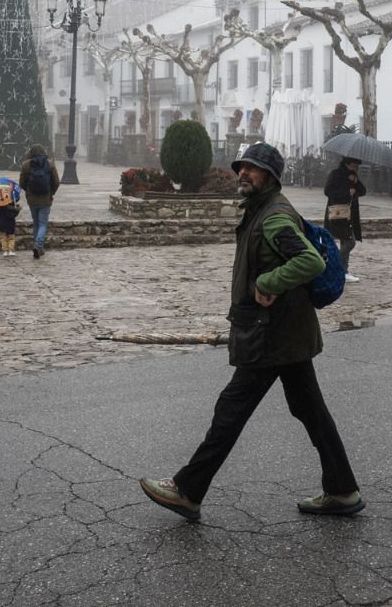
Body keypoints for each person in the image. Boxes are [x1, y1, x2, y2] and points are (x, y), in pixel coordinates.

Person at [140, 142, 361, 522]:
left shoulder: (273, 216)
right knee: (312, 412)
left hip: (270, 337)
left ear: (271, 177)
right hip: (285, 335)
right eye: (242, 167)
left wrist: (270, 281)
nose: (244, 173)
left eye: (254, 169)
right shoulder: (263, 209)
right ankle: (342, 490)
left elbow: (308, 260)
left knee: (231, 410)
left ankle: (188, 490)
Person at [322, 156, 365, 283]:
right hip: (338, 214)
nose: (356, 168)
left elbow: (363, 191)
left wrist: (355, 182)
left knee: (345, 241)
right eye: (354, 166)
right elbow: (328, 190)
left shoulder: (353, 177)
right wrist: (347, 192)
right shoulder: (336, 174)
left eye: (357, 167)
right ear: (347, 164)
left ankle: (342, 270)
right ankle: (339, 269)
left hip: (350, 215)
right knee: (349, 242)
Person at [18, 144, 60, 259]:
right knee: (43, 224)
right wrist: (51, 193)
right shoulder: (50, 164)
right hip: (46, 199)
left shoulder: (26, 165)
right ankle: (38, 245)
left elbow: (21, 182)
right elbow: (56, 182)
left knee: (36, 223)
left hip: (32, 199)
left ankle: (39, 247)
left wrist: (28, 191)